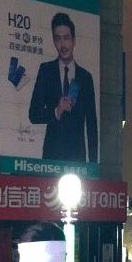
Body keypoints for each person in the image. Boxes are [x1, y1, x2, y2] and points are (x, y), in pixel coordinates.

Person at [28, 12, 98, 163]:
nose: (63, 45)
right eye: (58, 38)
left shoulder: (85, 78)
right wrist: (56, 111)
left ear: (73, 40)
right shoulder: (46, 71)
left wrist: (93, 166)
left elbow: (91, 124)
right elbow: (33, 114)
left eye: (66, 38)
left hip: (77, 157)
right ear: (54, 41)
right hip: (51, 156)